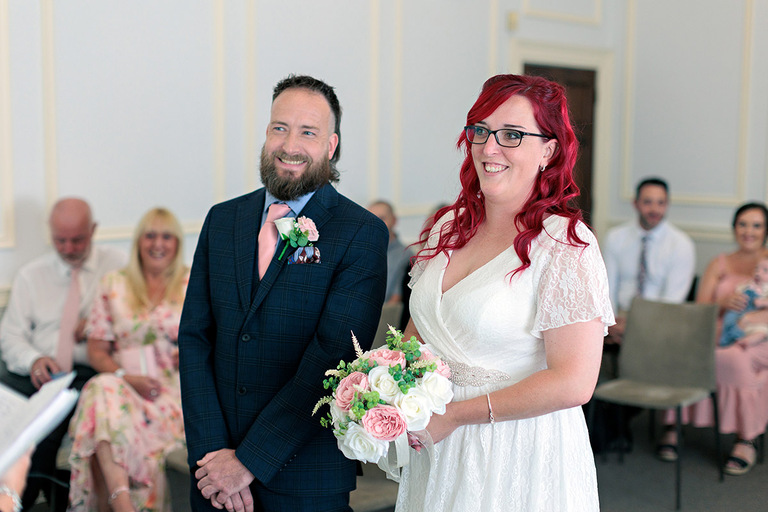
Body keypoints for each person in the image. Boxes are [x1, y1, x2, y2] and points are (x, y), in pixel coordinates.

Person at [395, 74, 613, 511]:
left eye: (512, 135)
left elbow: (574, 382)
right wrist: (382, 391)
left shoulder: (565, 245)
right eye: (481, 131)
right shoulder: (447, 227)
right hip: (436, 443)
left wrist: (455, 416)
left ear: (549, 150)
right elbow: (416, 338)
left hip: (517, 449)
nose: (489, 148)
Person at [178, 74, 389, 512]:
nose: (289, 144)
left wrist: (248, 462)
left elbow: (333, 357)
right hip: (213, 475)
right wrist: (215, 456)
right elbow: (195, 339)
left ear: (331, 146)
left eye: (307, 132)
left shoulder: (361, 233)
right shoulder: (222, 220)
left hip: (303, 477)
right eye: (279, 128)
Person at [0, 198, 125, 511]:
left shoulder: (119, 266)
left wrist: (103, 322)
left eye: (78, 240)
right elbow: (10, 336)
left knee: (48, 423)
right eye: (60, 240)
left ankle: (22, 501)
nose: (68, 248)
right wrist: (33, 359)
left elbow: (139, 322)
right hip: (37, 371)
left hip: (89, 371)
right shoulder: (32, 275)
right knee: (20, 422)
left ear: (93, 230)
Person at [67, 207, 189, 512]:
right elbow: (97, 349)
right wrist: (125, 377)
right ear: (138, 242)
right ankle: (123, 501)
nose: (157, 244)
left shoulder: (193, 283)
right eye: (150, 236)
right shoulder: (114, 284)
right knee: (103, 387)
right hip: (125, 386)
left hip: (172, 394)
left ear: (176, 243)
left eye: (166, 236)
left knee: (101, 403)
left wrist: (192, 353)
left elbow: (217, 341)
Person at [657, 202, 768, 475]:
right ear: (733, 228)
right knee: (687, 352)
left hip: (759, 337)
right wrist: (723, 301)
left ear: (766, 230)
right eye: (742, 224)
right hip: (717, 332)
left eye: (756, 225)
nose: (748, 231)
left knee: (734, 360)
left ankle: (747, 438)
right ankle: (675, 425)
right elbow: (701, 307)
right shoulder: (719, 263)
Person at [603, 177, 695, 345]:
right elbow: (607, 286)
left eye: (661, 203)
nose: (654, 209)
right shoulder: (615, 238)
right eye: (647, 202)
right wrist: (610, 324)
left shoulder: (681, 244)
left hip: (660, 321)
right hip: (619, 317)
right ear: (635, 203)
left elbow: (672, 301)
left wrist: (635, 328)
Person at [368, 200, 413, 305]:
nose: (377, 224)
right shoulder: (361, 250)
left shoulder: (405, 255)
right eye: (372, 219)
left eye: (382, 218)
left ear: (394, 220)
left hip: (385, 315)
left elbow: (397, 297)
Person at [718, 255, 768, 347]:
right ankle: (727, 337)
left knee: (762, 331)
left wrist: (763, 303)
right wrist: (736, 295)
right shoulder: (750, 284)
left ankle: (747, 341)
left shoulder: (766, 289)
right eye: (757, 269)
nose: (758, 273)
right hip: (740, 311)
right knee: (729, 318)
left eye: (765, 271)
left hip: (756, 321)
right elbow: (740, 289)